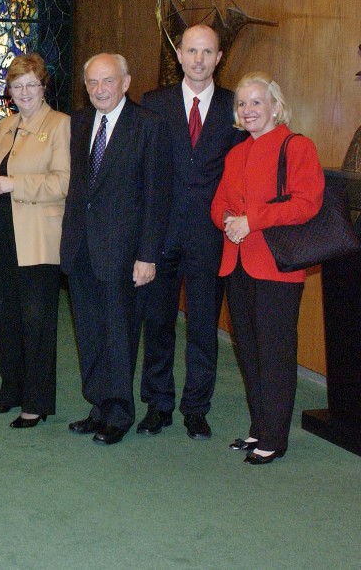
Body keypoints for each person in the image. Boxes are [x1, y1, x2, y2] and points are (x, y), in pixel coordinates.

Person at [136, 25, 246, 440]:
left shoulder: (235, 107)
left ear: (219, 58)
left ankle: (196, 408)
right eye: (191, 51)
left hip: (210, 236)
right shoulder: (153, 104)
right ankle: (158, 404)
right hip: (160, 236)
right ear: (178, 55)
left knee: (203, 328)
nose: (199, 59)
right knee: (158, 324)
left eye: (207, 52)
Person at [211, 72, 323, 465]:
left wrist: (251, 220)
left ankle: (275, 437)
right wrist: (227, 218)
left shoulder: (297, 147)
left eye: (256, 102)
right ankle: (260, 427)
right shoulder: (236, 152)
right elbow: (219, 202)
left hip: (276, 266)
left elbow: (307, 203)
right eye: (242, 103)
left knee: (274, 352)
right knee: (249, 352)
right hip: (237, 263)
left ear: (275, 106)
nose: (248, 109)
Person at [60, 53, 170, 446]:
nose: (99, 89)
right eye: (92, 82)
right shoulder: (79, 122)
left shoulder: (149, 126)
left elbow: (157, 197)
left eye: (107, 81)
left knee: (119, 332)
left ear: (125, 82)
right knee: (89, 332)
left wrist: (148, 254)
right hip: (80, 247)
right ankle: (98, 406)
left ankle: (120, 412)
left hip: (124, 252)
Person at [0, 54, 71, 428]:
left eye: (31, 84)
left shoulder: (61, 125)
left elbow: (63, 183)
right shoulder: (5, 125)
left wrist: (17, 184)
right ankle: (11, 391)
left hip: (38, 237)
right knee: (7, 321)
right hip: (2, 231)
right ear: (9, 92)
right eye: (17, 86)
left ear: (44, 86)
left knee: (37, 321)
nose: (25, 92)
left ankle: (37, 402)